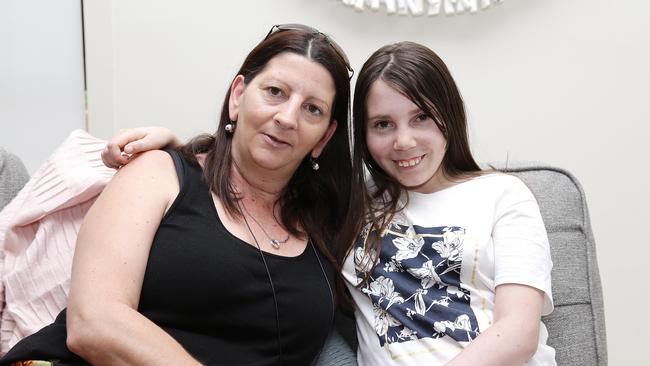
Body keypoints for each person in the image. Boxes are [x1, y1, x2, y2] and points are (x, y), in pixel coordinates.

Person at [100, 41, 556, 365]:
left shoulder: (502, 194)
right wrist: (179, 150)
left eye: (422, 117)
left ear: (449, 118)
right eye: (382, 124)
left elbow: (518, 331)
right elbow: (240, 178)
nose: (404, 141)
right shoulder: (351, 208)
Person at [0, 24, 355, 366]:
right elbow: (93, 323)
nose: (287, 117)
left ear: (324, 137)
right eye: (275, 92)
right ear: (238, 97)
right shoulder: (158, 173)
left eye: (313, 109)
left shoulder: (331, 224)